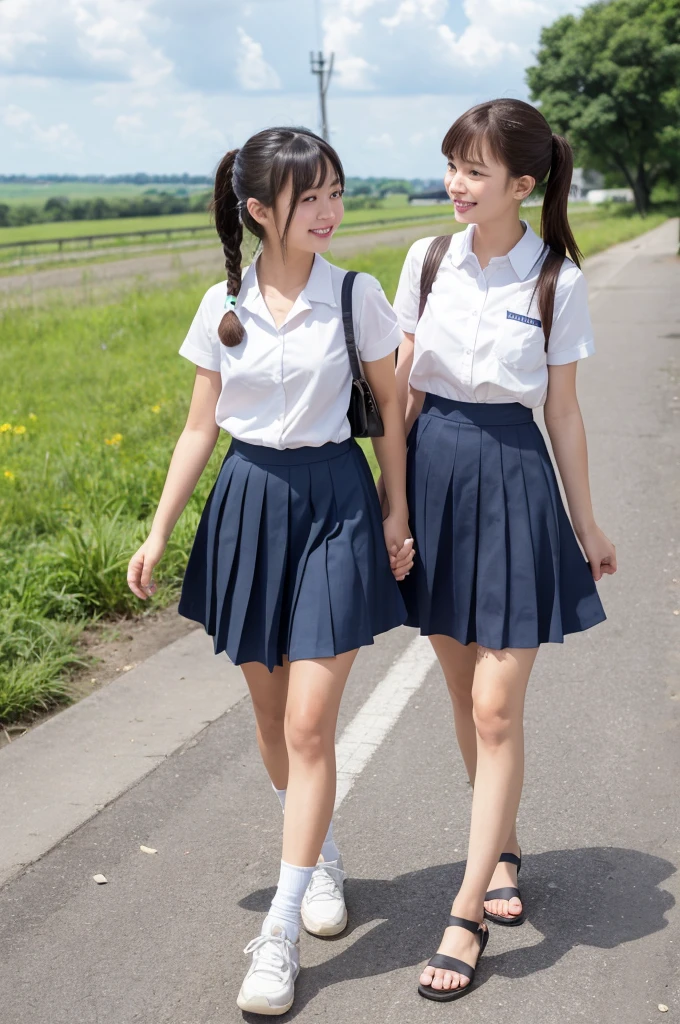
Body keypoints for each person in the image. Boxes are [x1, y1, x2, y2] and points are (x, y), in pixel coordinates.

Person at [127, 126, 414, 1016]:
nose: (331, 210)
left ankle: (281, 929)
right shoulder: (223, 304)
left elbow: (390, 410)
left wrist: (395, 507)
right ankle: (322, 857)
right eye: (311, 196)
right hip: (248, 503)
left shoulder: (356, 296)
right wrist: (157, 529)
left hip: (335, 501)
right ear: (260, 211)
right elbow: (198, 427)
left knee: (311, 723)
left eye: (336, 190)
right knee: (269, 714)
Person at [391, 99, 617, 1002]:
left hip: (516, 482)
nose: (456, 182)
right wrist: (394, 506)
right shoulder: (427, 258)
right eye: (453, 163)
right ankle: (504, 849)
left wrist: (589, 522)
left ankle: (465, 911)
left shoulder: (557, 277)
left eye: (475, 170)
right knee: (460, 687)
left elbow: (562, 411)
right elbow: (401, 390)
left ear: (522, 185)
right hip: (435, 475)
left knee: (495, 706)